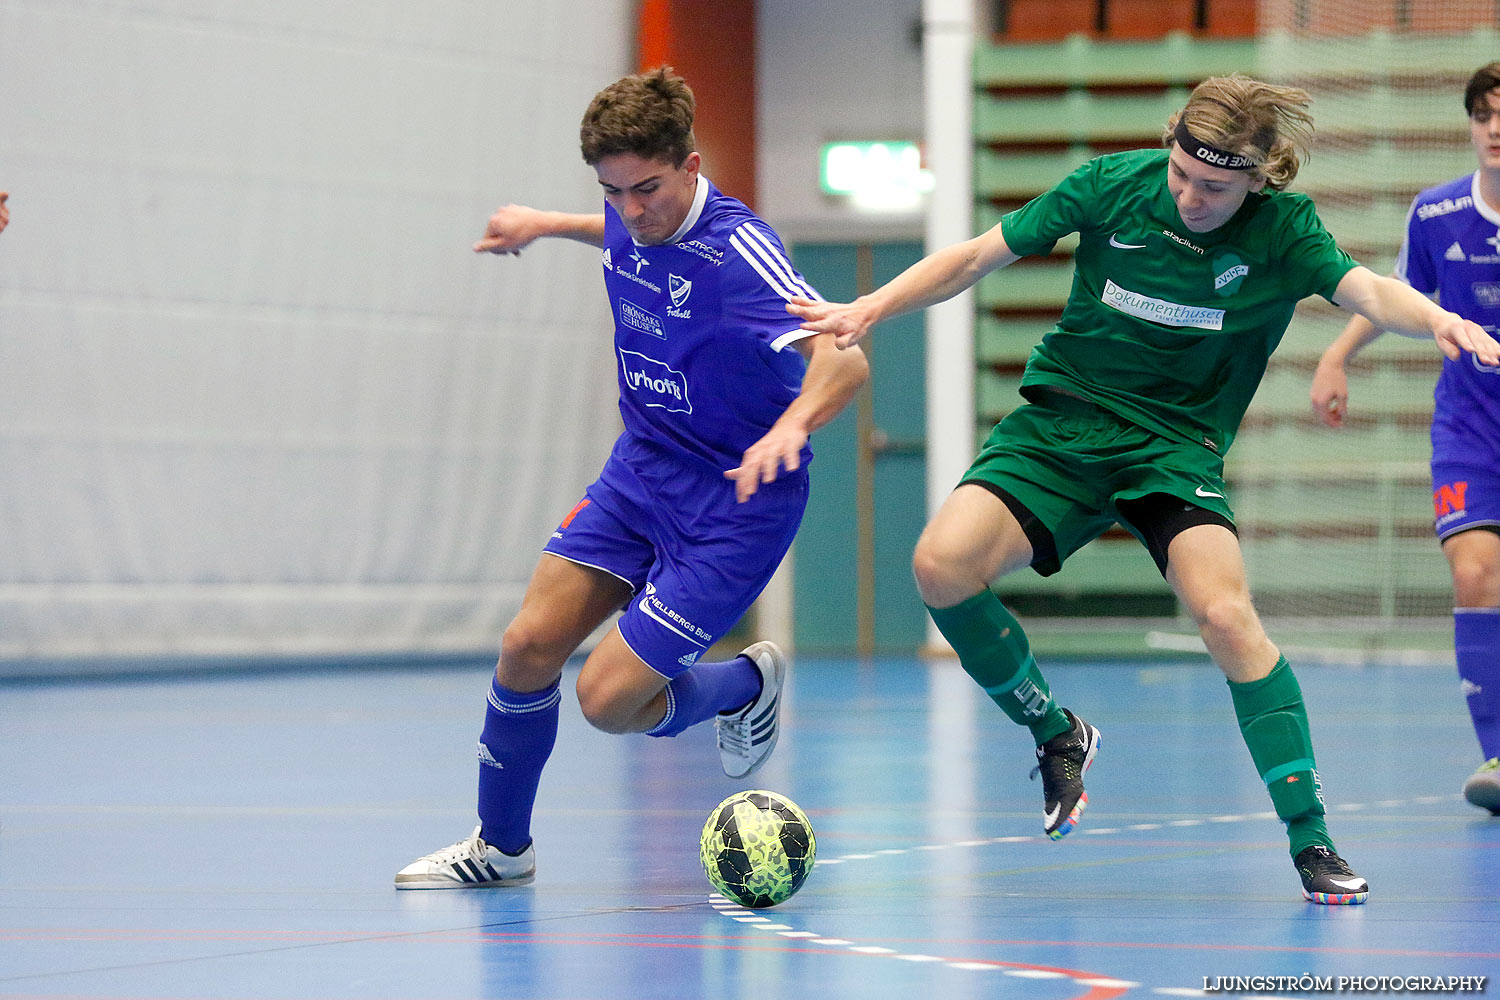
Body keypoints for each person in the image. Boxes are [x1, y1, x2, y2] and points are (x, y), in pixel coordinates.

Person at [788, 74, 1500, 905]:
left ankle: (1311, 839)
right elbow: (980, 256)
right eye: (1183, 176)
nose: (1193, 197)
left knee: (1227, 617)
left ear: (1259, 178)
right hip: (1064, 426)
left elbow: (1367, 290)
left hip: (1173, 449)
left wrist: (1439, 319)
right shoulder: (1110, 186)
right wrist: (872, 305)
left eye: (1217, 187)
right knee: (940, 567)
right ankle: (1056, 732)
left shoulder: (1283, 231)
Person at [394, 68, 868, 889]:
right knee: (528, 646)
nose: (631, 210)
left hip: (735, 507)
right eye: (613, 192)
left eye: (647, 188)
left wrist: (791, 426)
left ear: (690, 166)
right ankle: (501, 849)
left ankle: (744, 683)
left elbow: (846, 354)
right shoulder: (627, 218)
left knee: (608, 703)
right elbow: (609, 228)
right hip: (642, 474)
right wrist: (541, 224)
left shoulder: (740, 254)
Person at [1311, 63, 1500, 817]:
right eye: (1485, 112)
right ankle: (1496, 753)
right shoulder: (1437, 213)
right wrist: (1334, 356)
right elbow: (1396, 298)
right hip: (1469, 427)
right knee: (1476, 573)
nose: (1497, 126)